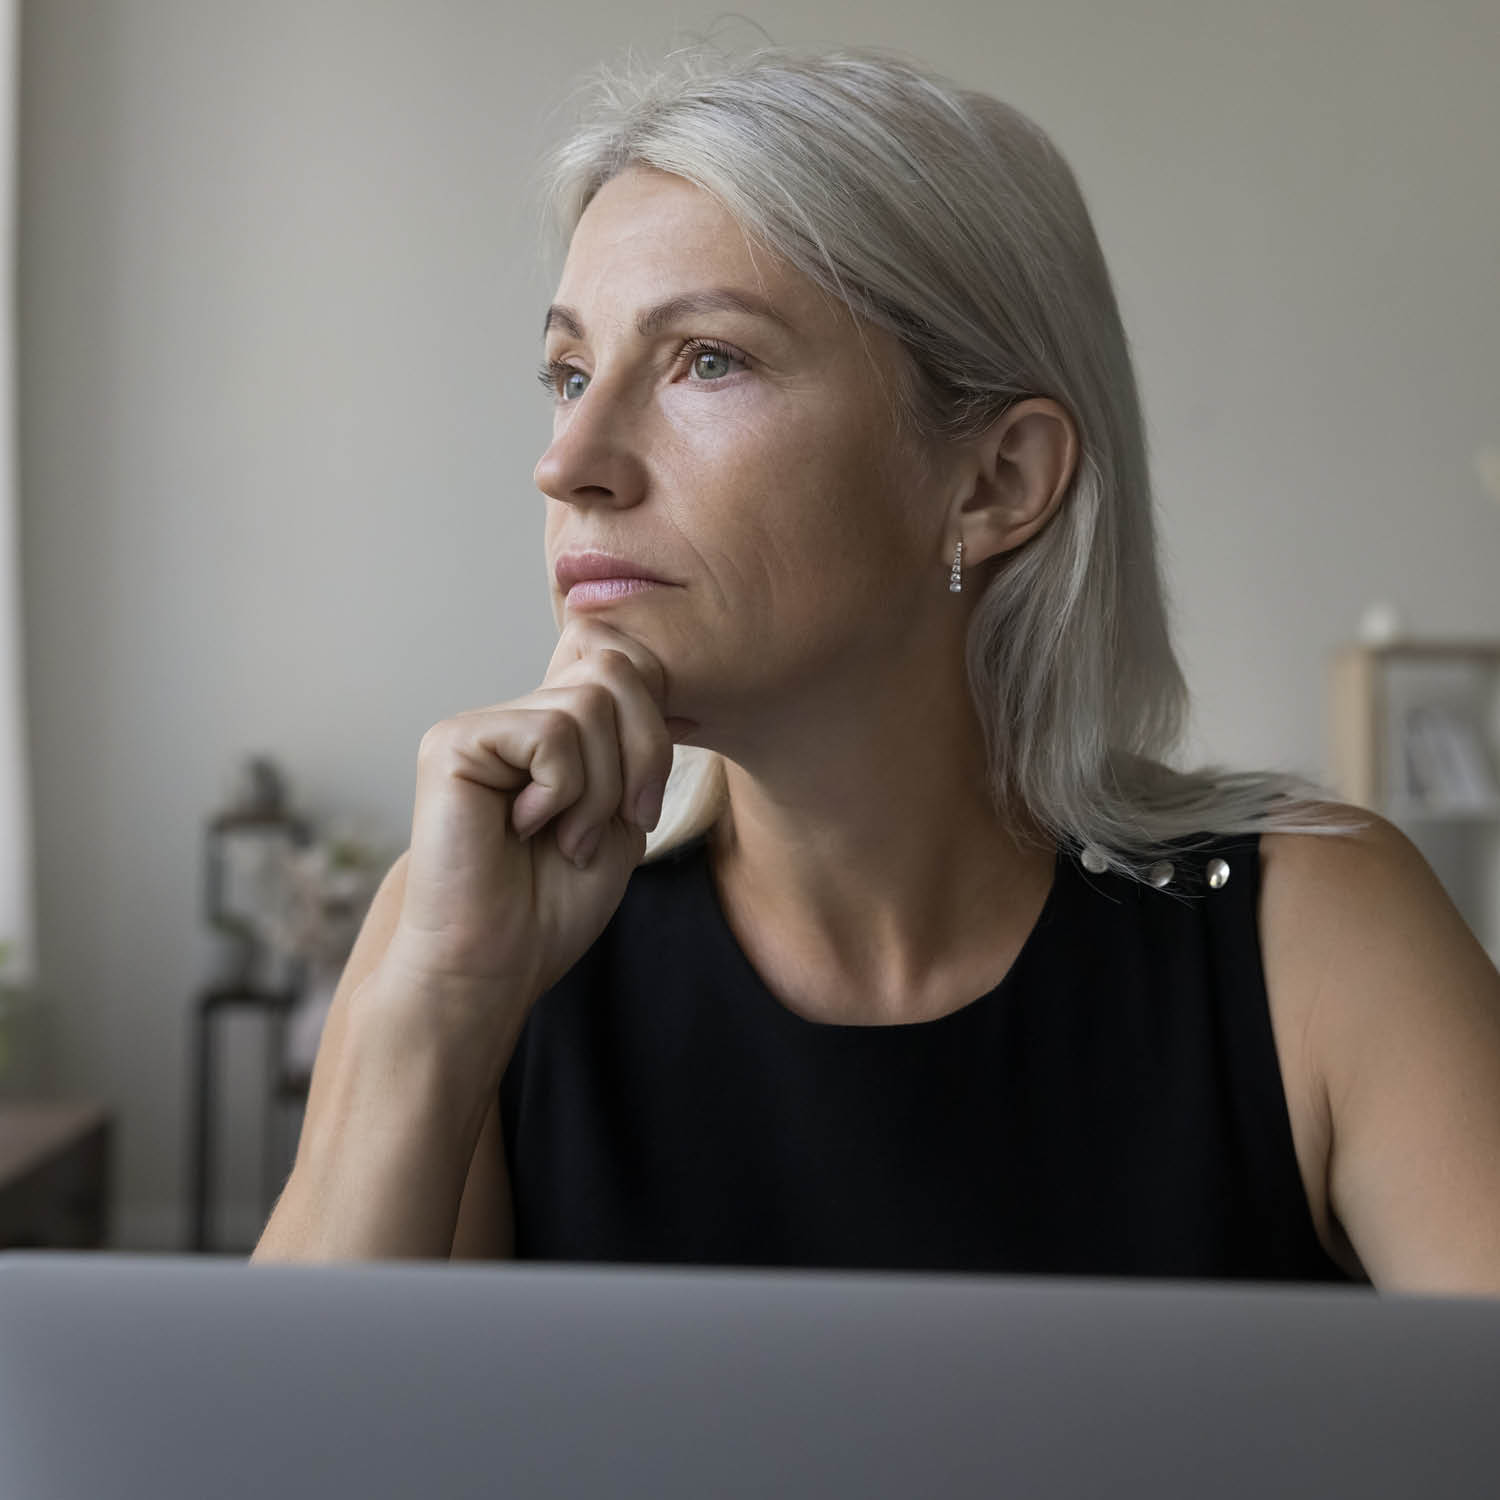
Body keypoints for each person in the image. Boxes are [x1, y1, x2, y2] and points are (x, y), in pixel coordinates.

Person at [252, 43, 1500, 1293]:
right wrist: (431, 1011)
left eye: (706, 360)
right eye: (570, 373)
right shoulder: (472, 951)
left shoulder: (1320, 937)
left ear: (995, 480)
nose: (569, 457)